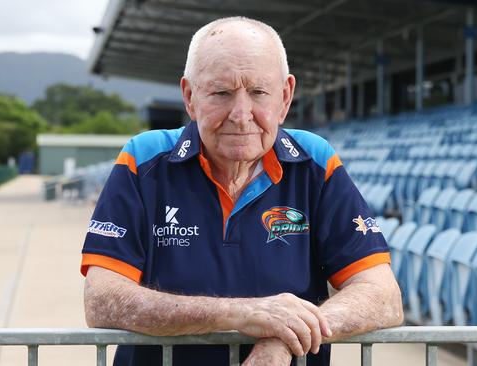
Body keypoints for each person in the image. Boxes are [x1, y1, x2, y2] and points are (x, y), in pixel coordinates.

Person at [81, 16, 403, 366]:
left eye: (258, 92)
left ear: (285, 97)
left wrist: (286, 338)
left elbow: (382, 295)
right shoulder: (143, 160)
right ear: (190, 96)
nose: (241, 114)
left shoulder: (316, 162)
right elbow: (103, 299)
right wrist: (240, 314)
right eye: (221, 92)